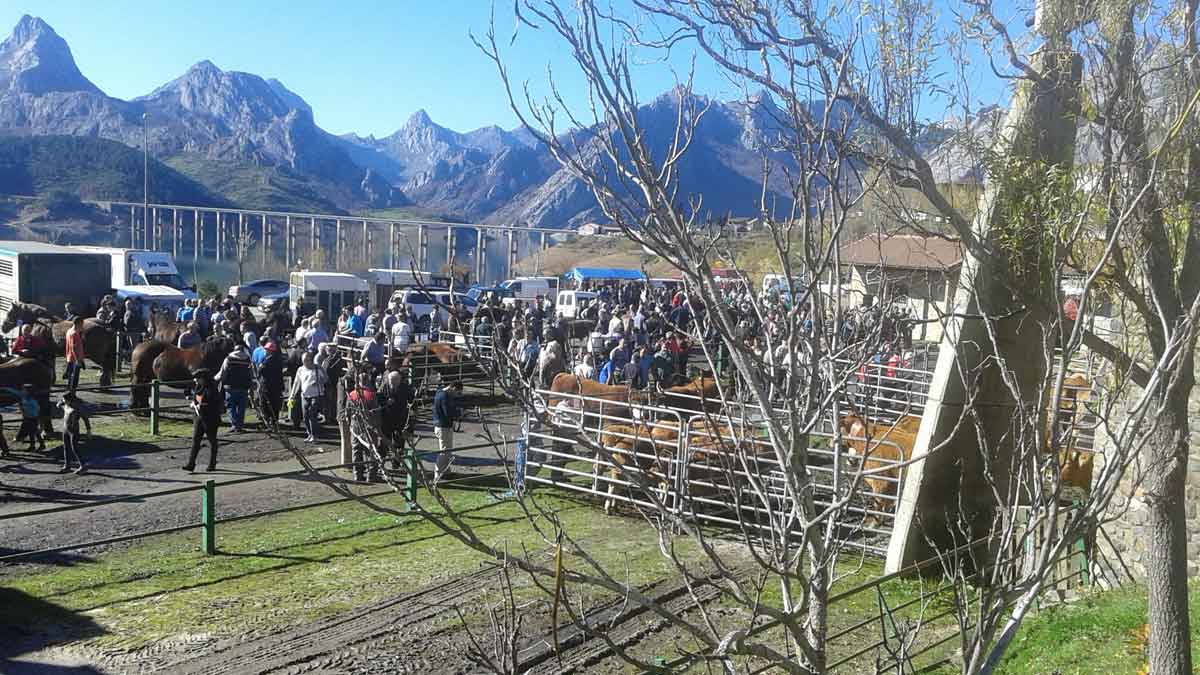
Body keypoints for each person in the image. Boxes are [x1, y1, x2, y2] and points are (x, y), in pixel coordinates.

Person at [346, 371, 382, 482]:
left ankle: (358, 474)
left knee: (356, 450)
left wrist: (350, 423)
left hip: (355, 425)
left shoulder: (352, 394)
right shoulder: (371, 395)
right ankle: (372, 475)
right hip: (369, 425)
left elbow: (347, 411)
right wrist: (378, 427)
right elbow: (376, 413)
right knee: (371, 450)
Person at [183, 369, 222, 473]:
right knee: (195, 440)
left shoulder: (212, 388)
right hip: (199, 417)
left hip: (210, 418)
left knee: (212, 440)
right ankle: (191, 463)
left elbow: (213, 403)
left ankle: (212, 463)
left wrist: (202, 406)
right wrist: (193, 403)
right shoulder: (198, 386)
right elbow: (196, 398)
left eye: (198, 379)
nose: (196, 381)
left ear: (204, 378)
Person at [216, 341, 253, 432]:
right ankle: (240, 425)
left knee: (230, 406)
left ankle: (234, 424)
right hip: (244, 387)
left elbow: (222, 374)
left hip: (230, 387)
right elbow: (251, 373)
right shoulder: (247, 359)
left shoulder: (229, 359)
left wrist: (214, 378)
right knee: (241, 407)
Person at [291, 351, 328, 443]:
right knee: (305, 416)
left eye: (307, 360)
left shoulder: (317, 368)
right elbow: (297, 383)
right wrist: (292, 395)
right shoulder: (300, 369)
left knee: (312, 414)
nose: (305, 362)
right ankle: (309, 434)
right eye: (303, 360)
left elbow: (326, 379)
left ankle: (315, 436)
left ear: (311, 360)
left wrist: (319, 382)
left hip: (316, 395)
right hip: (304, 395)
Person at [432, 380, 462, 483]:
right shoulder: (445, 397)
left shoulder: (440, 393)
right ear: (453, 388)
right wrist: (458, 413)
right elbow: (448, 412)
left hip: (441, 425)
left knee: (447, 450)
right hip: (443, 426)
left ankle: (446, 471)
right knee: (444, 451)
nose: (456, 395)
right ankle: (438, 474)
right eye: (457, 392)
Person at [57, 392, 91, 475]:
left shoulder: (77, 408)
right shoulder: (65, 406)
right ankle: (67, 466)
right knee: (66, 447)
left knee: (75, 448)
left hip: (74, 430)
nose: (64, 401)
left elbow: (85, 419)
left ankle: (83, 466)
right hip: (65, 429)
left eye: (65, 400)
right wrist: (62, 400)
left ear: (70, 400)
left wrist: (88, 430)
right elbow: (57, 405)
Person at [256, 341, 285, 427]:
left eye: (266, 349)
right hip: (276, 386)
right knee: (275, 404)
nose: (265, 351)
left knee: (265, 404)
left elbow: (260, 371)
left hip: (267, 386)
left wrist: (260, 367)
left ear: (270, 351)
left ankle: (268, 422)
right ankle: (274, 421)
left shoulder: (267, 361)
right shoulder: (278, 360)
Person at [14, 384, 42, 451]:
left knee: (32, 432)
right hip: (27, 417)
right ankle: (41, 444)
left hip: (32, 417)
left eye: (24, 390)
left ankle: (33, 446)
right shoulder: (24, 398)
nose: (23, 391)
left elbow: (36, 408)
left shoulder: (32, 400)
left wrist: (25, 409)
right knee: (34, 431)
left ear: (29, 391)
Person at [64, 317, 86, 392]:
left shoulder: (69, 331)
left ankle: (70, 395)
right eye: (82, 324)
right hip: (75, 359)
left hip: (70, 357)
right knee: (74, 379)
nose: (82, 326)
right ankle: (72, 395)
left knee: (71, 378)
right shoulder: (74, 334)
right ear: (78, 324)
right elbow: (74, 348)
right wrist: (78, 360)